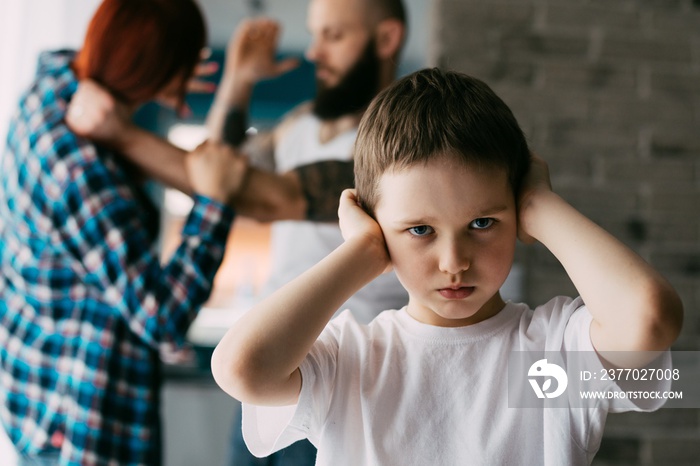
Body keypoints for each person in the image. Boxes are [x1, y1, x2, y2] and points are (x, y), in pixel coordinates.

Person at [210, 68, 684, 465]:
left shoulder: (553, 354)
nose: (454, 261)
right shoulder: (351, 359)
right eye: (420, 230)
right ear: (376, 226)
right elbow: (240, 370)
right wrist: (362, 254)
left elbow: (650, 318)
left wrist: (541, 206)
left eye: (482, 222)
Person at [68, 1, 410, 464]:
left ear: (386, 39)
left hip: (346, 380)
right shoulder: (300, 123)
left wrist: (119, 133)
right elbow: (215, 168)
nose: (314, 52)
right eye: (315, 35)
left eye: (333, 36)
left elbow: (261, 197)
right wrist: (239, 79)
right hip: (268, 364)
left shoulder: (401, 145)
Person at [0, 0, 248, 464]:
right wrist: (216, 205)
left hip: (35, 392)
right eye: (187, 60)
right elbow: (161, 317)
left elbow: (65, 63)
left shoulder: (48, 91)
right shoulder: (77, 165)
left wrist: (158, 75)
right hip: (80, 423)